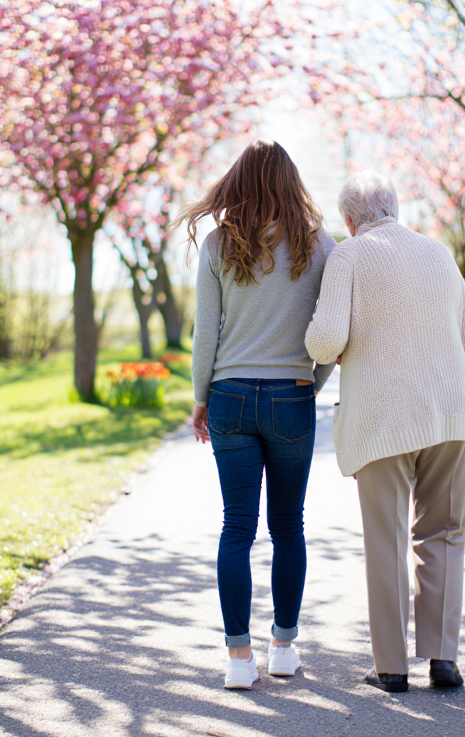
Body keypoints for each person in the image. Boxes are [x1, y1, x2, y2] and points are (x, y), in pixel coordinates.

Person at [305, 170, 465, 693]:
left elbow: (324, 342)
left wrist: (334, 342)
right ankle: (444, 660)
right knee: (445, 535)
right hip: (453, 412)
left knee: (385, 541)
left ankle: (391, 669)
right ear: (396, 209)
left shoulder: (348, 255)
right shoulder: (438, 252)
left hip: (384, 418)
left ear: (349, 219)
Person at [175, 140, 336, 690]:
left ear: (237, 182)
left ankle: (239, 660)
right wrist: (310, 385)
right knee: (288, 526)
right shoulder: (321, 246)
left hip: (231, 396)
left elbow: (206, 334)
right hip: (292, 393)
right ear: (291, 181)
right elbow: (333, 334)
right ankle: (284, 647)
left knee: (236, 529)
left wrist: (201, 397)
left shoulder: (220, 244)